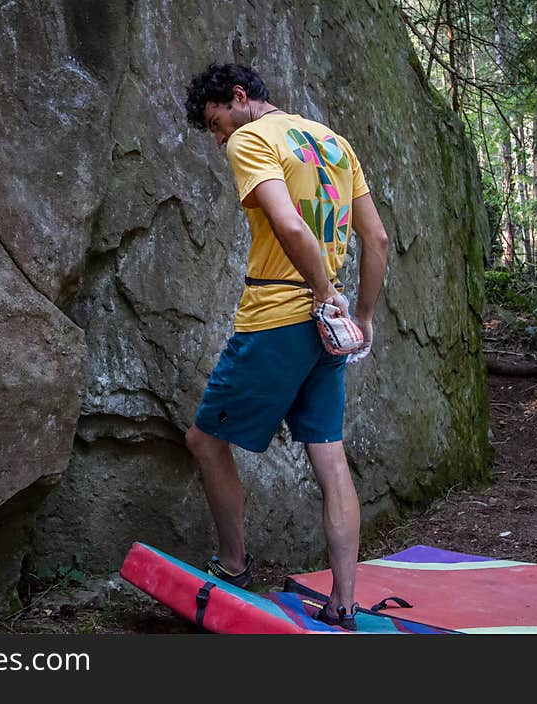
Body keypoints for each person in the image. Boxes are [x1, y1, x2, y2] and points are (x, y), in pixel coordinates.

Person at [182, 63, 389, 630]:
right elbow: (376, 238)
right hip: (330, 329)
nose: (219, 136)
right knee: (329, 455)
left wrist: (324, 294)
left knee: (204, 439)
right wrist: (360, 314)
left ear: (240, 98)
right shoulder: (333, 141)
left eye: (215, 121)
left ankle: (232, 565)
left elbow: (291, 227)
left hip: (279, 316)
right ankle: (344, 603)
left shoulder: (252, 139)